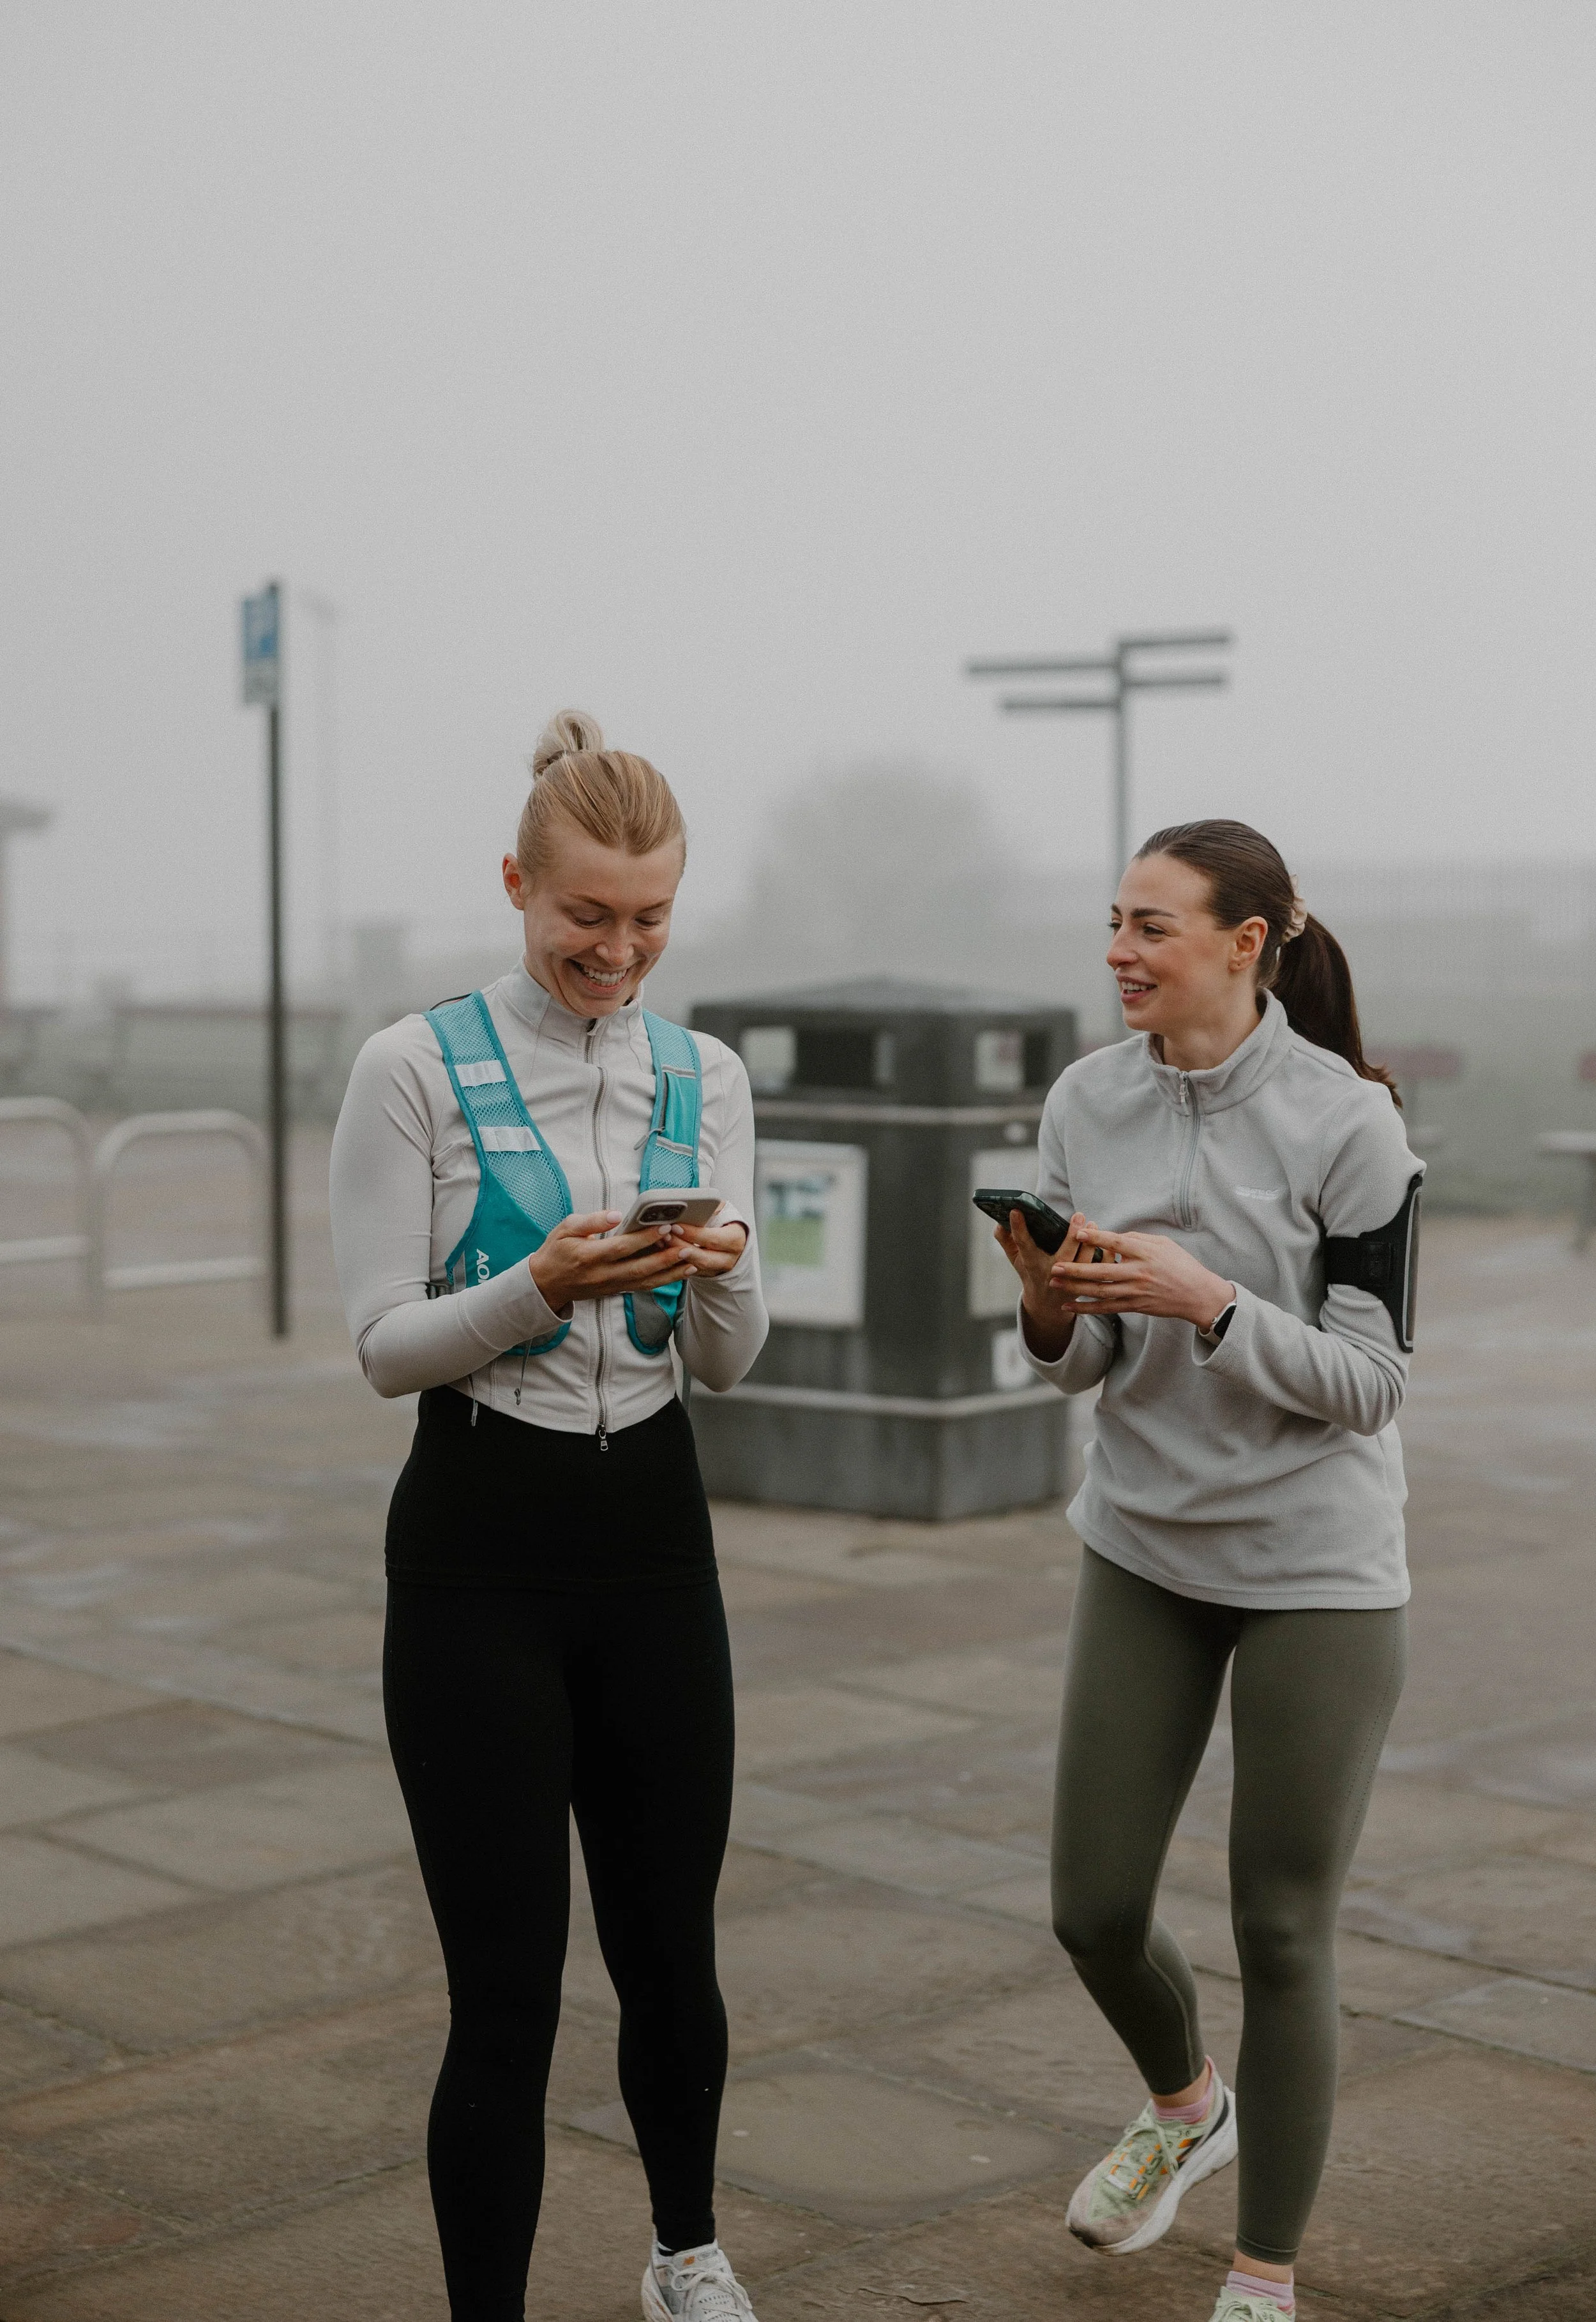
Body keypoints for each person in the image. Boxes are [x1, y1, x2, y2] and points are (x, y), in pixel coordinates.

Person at [330, 711, 769, 2322]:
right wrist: (537, 1286)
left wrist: (719, 1275)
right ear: (515, 883)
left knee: (674, 1957)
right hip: (475, 1552)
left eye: (650, 917)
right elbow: (381, 1348)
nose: (619, 949)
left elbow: (728, 1363)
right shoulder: (411, 1067)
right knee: (505, 1993)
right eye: (586, 914)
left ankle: (684, 2253)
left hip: (655, 1540)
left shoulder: (702, 1075)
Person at [996, 820, 1420, 2322]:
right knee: (1092, 1908)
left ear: (1244, 945)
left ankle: (1261, 2272)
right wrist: (1054, 1310)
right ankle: (1185, 2109)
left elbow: (1371, 1382)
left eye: (1151, 926)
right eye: (1111, 920)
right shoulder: (1082, 1101)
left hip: (1314, 1567)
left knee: (1281, 1926)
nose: (1118, 949)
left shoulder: (1347, 1121)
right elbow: (1087, 1358)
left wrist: (1211, 1300)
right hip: (1143, 1545)